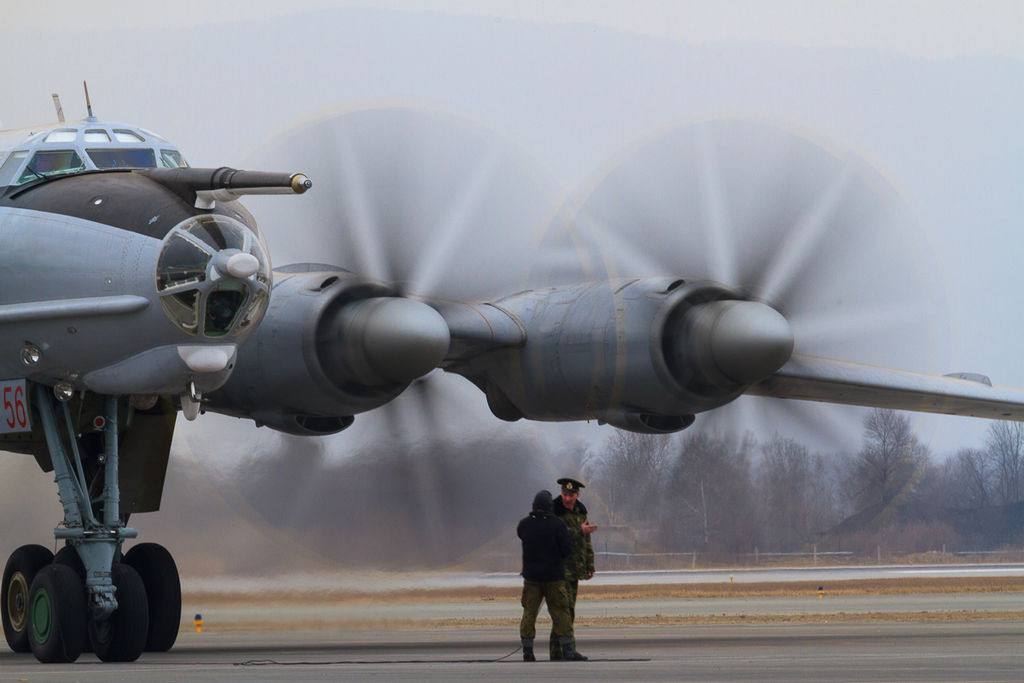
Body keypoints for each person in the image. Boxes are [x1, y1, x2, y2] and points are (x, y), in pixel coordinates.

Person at [516, 490, 583, 662]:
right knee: (561, 612)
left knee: (529, 613)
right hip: (554, 577)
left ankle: (528, 652)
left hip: (531, 578)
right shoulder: (558, 525)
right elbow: (567, 550)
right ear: (550, 507)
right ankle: (568, 650)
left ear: (533, 506)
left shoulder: (524, 525)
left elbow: (521, 535)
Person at [549, 476, 596, 661]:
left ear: (577, 495)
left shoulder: (580, 511)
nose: (567, 498)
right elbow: (555, 535)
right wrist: (579, 531)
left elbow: (586, 541)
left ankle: (559, 651)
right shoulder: (554, 511)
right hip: (559, 569)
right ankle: (563, 650)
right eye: (564, 494)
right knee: (563, 610)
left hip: (575, 568)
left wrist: (589, 564)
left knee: (568, 610)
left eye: (571, 495)